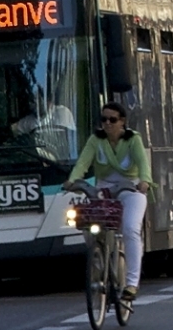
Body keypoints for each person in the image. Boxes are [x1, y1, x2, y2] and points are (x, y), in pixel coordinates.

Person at [66, 103, 154, 313]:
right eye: (104, 119)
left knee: (131, 228)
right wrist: (72, 181)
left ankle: (131, 284)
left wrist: (144, 182)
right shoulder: (96, 140)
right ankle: (98, 265)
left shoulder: (133, 139)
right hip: (103, 190)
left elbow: (143, 165)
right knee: (90, 226)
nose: (107, 124)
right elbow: (82, 163)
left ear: (122, 122)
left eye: (112, 120)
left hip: (131, 189)